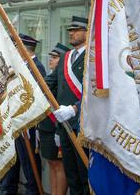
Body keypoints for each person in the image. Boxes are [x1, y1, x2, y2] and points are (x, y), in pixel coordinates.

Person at [46, 16, 89, 195]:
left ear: (87, 31)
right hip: (64, 126)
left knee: (85, 173)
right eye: (70, 30)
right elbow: (50, 83)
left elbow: (94, 91)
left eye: (76, 30)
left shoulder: (93, 55)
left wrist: (75, 109)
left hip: (84, 124)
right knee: (72, 174)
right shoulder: (65, 57)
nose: (71, 33)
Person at [0, 33, 45, 195]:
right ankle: (9, 187)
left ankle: (33, 188)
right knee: (15, 155)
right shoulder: (21, 65)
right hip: (17, 117)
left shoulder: (36, 67)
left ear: (23, 49)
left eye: (16, 47)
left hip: (29, 120)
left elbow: (36, 94)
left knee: (29, 157)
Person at [38, 42, 69, 195]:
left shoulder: (63, 78)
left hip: (55, 126)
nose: (51, 59)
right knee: (51, 163)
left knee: (59, 165)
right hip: (45, 126)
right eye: (51, 57)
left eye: (55, 57)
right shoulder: (51, 75)